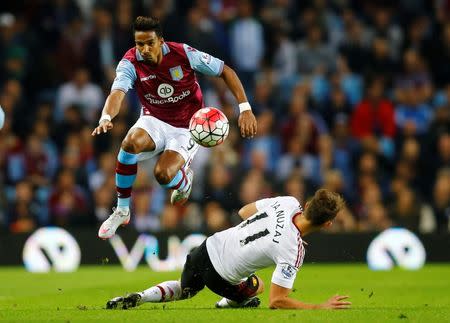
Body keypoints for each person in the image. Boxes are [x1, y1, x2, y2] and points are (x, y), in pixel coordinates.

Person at [92, 16, 257, 239]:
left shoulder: (184, 54)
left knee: (162, 174)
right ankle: (122, 210)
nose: (145, 49)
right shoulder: (130, 62)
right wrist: (105, 117)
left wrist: (245, 108)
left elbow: (225, 71)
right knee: (129, 143)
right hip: (154, 119)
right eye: (140, 44)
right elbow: (117, 93)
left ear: (161, 41)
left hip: (188, 126)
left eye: (150, 43)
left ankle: (183, 181)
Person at [106, 189, 351, 310]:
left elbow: (244, 212)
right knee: (258, 287)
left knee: (185, 290)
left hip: (207, 247)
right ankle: (225, 304)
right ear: (328, 224)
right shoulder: (293, 250)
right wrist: (319, 307)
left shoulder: (287, 202)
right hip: (221, 277)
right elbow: (277, 301)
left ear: (307, 205)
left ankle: (141, 297)